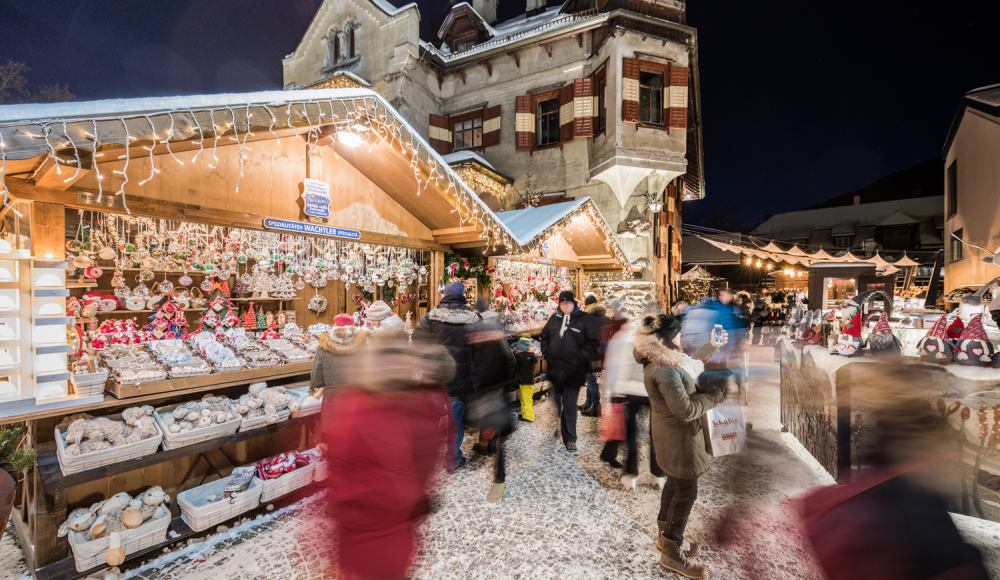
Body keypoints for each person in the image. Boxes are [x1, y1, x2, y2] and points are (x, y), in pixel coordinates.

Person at [324, 331, 454, 580]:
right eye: (391, 358)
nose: (398, 365)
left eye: (403, 358)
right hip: (365, 529)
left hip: (396, 530)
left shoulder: (415, 405)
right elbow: (341, 467)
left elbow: (424, 458)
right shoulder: (357, 407)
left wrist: (417, 496)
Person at [634, 314, 726, 579]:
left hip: (672, 437)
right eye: (678, 334)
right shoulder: (663, 369)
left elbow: (691, 366)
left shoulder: (665, 361)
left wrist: (712, 345)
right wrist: (712, 398)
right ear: (667, 338)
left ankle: (666, 539)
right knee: (685, 491)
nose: (681, 338)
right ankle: (672, 551)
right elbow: (685, 410)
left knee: (674, 486)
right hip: (680, 439)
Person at [415, 281, 482, 474]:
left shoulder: (430, 317)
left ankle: (424, 461)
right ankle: (453, 460)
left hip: (433, 379)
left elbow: (417, 346)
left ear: (444, 294)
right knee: (455, 421)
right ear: (463, 295)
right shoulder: (473, 319)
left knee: (430, 420)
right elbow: (482, 349)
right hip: (459, 379)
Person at [539, 290, 599, 451]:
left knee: (570, 404)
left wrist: (581, 357)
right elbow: (543, 337)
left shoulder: (584, 319)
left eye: (569, 303)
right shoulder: (554, 319)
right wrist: (547, 351)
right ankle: (555, 428)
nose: (566, 306)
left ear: (574, 304)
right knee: (556, 402)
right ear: (559, 304)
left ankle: (570, 438)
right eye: (563, 303)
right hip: (556, 370)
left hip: (574, 372)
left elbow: (594, 343)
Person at [470, 300, 517, 502]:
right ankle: (484, 445)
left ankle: (499, 481)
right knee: (492, 434)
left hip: (497, 399)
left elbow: (507, 368)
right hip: (487, 399)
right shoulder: (480, 343)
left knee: (500, 441)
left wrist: (504, 394)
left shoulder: (495, 344)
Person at [582, 295, 611, 417]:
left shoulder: (587, 319)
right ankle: (588, 404)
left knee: (591, 381)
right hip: (602, 353)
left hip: (591, 353)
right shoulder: (605, 318)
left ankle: (596, 407)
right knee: (593, 380)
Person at [512, 336, 538, 422]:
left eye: (518, 348)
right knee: (528, 399)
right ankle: (527, 414)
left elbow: (514, 356)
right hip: (530, 381)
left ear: (522, 349)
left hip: (525, 382)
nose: (517, 350)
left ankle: (528, 417)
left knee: (525, 400)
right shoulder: (530, 355)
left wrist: (514, 352)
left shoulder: (521, 357)